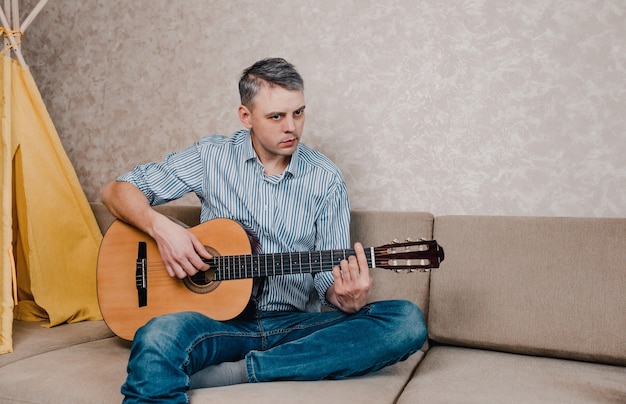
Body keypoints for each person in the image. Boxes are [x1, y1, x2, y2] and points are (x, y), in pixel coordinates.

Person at [101, 57, 426, 403]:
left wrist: (345, 298)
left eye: (298, 113)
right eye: (277, 116)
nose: (292, 128)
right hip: (218, 325)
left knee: (406, 322)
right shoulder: (210, 157)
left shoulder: (326, 179)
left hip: (291, 326)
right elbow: (116, 191)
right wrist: (162, 229)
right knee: (158, 334)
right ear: (246, 117)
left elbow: (327, 281)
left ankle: (238, 372)